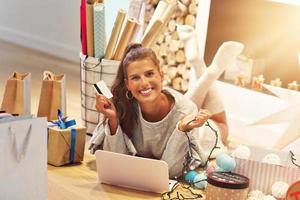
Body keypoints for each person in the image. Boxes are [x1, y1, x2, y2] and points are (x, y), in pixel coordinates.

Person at [89, 42, 244, 178]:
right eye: (135, 78)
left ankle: (209, 72)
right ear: (127, 84)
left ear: (161, 75)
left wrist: (182, 128)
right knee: (185, 106)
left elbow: (171, 171)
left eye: (149, 74)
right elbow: (117, 160)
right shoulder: (125, 107)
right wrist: (113, 119)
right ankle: (203, 69)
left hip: (202, 133)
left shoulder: (185, 110)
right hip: (180, 109)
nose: (143, 83)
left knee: (222, 127)